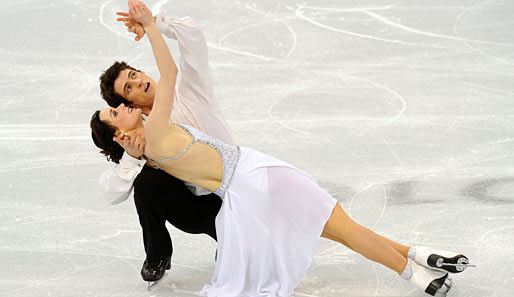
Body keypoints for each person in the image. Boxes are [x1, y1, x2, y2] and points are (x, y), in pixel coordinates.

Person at [91, 1, 473, 296]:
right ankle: (420, 277)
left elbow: (181, 63)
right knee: (342, 226)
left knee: (332, 228)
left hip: (242, 198)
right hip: (251, 180)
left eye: (132, 82)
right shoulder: (154, 129)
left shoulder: (156, 129)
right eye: (118, 105)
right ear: (120, 131)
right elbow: (169, 72)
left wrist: (157, 26)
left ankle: (419, 256)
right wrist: (149, 26)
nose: (127, 101)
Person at [97, 5, 231, 286]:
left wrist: (152, 24)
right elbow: (111, 192)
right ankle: (157, 255)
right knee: (148, 181)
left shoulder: (189, 89)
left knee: (249, 249)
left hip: (233, 192)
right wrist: (132, 159)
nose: (138, 82)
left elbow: (193, 37)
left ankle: (235, 241)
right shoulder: (141, 136)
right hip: (198, 207)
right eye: (129, 88)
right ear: (128, 104)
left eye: (134, 75)